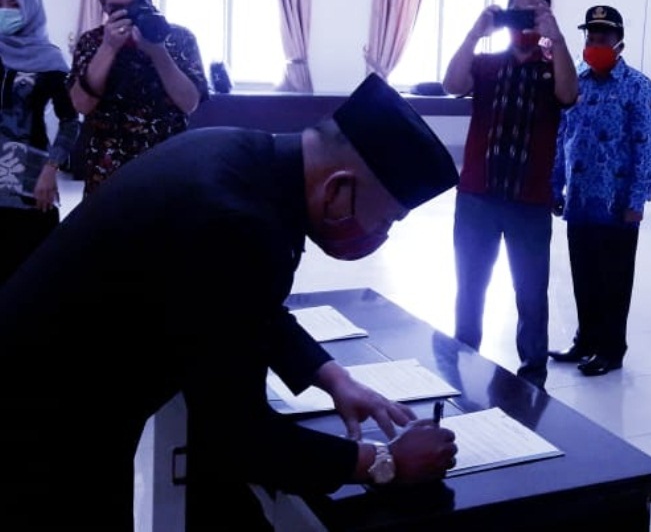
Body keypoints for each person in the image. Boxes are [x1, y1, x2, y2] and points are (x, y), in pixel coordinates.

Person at [0, 73, 461, 530]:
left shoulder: (242, 154)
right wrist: (383, 461)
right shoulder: (237, 221)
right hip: (43, 426)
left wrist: (333, 377)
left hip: (60, 392)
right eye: (386, 220)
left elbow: (242, 304)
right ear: (337, 189)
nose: (380, 235)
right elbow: (237, 434)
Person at [444, 0, 578, 389]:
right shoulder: (486, 64)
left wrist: (557, 39)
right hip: (477, 196)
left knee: (531, 292)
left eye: (535, 14)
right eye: (520, 13)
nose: (527, 22)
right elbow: (452, 83)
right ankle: (462, 358)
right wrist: (474, 33)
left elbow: (569, 94)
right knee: (470, 285)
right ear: (505, 17)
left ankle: (533, 376)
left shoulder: (552, 67)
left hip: (529, 200)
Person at [548, 5, 651, 376]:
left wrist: (637, 199)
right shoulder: (575, 82)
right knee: (583, 274)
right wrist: (555, 184)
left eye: (603, 39)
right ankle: (586, 339)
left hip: (617, 204)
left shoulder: (638, 87)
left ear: (619, 44)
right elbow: (563, 136)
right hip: (580, 200)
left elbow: (648, 146)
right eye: (591, 38)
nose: (595, 45)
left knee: (614, 279)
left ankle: (611, 349)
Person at [68, 0, 209, 196]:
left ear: (148, 0)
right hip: (107, 170)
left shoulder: (179, 39)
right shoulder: (91, 42)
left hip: (167, 167)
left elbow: (189, 103)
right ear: (103, 5)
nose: (127, 15)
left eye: (133, 6)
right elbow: (81, 104)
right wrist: (108, 48)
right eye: (116, 9)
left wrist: (157, 51)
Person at [0, 0, 80, 284]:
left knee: (28, 268)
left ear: (31, 10)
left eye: (14, 4)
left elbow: (70, 121)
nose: (5, 10)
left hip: (29, 177)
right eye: (0, 3)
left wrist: (51, 169)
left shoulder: (49, 59)